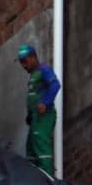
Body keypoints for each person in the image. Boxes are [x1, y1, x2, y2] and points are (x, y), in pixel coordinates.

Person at [17, 45, 61, 175]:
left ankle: (48, 179)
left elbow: (55, 85)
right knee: (31, 149)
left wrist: (45, 103)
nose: (23, 65)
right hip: (35, 118)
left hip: (44, 116)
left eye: (24, 61)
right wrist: (30, 114)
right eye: (21, 63)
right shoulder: (34, 75)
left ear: (33, 57)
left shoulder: (44, 70)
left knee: (41, 148)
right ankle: (35, 179)